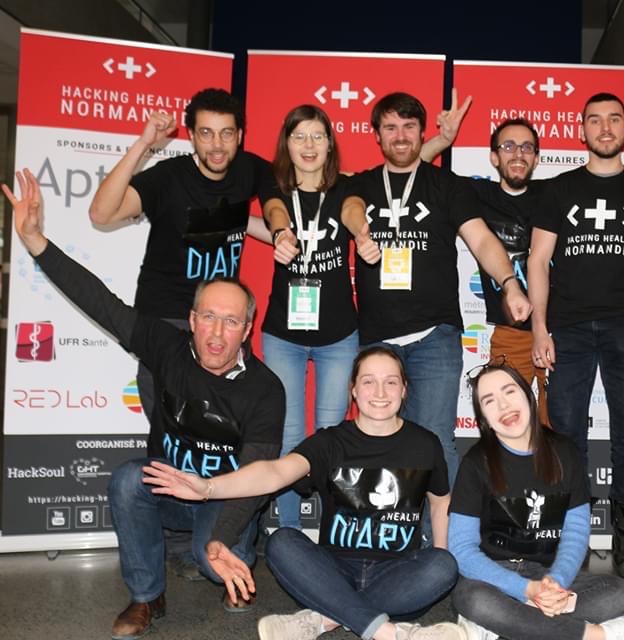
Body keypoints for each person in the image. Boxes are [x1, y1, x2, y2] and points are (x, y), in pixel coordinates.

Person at [4, 169, 285, 639]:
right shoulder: (165, 346)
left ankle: (231, 547)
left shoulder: (265, 388)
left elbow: (257, 477)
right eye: (209, 317)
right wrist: (35, 241)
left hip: (223, 497)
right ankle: (145, 596)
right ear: (191, 320)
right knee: (128, 480)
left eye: (231, 321)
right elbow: (101, 302)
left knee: (216, 562)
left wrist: (220, 539)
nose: (217, 333)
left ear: (247, 329)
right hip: (170, 488)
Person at [143, 347, 466, 640]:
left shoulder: (425, 444)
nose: (380, 392)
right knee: (282, 541)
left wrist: (433, 563)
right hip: (330, 573)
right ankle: (391, 632)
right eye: (368, 381)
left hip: (397, 578)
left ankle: (322, 619)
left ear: (404, 389)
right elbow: (274, 473)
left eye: (391, 382)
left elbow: (440, 503)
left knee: (443, 565)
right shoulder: (329, 442)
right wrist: (209, 487)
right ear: (353, 390)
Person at [88, 87, 279, 576]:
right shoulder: (169, 177)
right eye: (206, 133)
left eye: (227, 134)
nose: (217, 145)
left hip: (221, 326)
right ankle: (177, 546)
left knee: (224, 440)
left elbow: (277, 199)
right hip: (169, 326)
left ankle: (228, 533)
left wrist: (278, 231)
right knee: (173, 438)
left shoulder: (249, 171)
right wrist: (144, 144)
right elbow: (102, 214)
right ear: (191, 135)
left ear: (240, 136)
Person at [421, 104, 624, 428]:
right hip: (512, 332)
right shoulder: (476, 194)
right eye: (508, 146)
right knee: (505, 424)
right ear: (494, 157)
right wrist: (442, 141)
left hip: (563, 329)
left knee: (557, 429)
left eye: (527, 147)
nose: (518, 154)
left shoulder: (557, 191)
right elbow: (418, 171)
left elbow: (619, 197)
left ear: (537, 158)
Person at [528, 93, 624, 587]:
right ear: (582, 130)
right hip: (569, 328)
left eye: (614, 119)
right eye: (595, 120)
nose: (605, 127)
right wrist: (539, 327)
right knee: (566, 435)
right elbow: (537, 261)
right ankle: (571, 538)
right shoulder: (558, 189)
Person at [349, 92, 532, 487]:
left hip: (435, 337)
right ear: (376, 135)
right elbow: (347, 205)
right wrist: (359, 230)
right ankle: (387, 525)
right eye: (390, 128)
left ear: (422, 132)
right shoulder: (361, 184)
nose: (400, 136)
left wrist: (510, 284)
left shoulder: (447, 185)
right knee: (379, 443)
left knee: (434, 444)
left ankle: (441, 528)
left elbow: (482, 240)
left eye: (409, 127)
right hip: (376, 339)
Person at [448, 363, 624, 640]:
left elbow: (576, 532)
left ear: (528, 396)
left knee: (618, 593)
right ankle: (598, 634)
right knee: (472, 598)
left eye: (509, 391)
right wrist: (525, 589)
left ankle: (503, 623)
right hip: (496, 574)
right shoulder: (475, 463)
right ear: (483, 417)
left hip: (548, 572)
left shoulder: (564, 452)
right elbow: (462, 549)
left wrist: (556, 581)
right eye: (489, 401)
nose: (504, 405)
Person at [258, 104, 380, 530]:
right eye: (299, 137)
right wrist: (280, 233)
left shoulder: (347, 186)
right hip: (283, 335)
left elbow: (352, 210)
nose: (308, 146)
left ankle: (332, 532)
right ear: (286, 144)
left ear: (330, 144)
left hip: (338, 336)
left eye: (317, 136)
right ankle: (288, 534)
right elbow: (274, 210)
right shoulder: (274, 187)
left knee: (330, 434)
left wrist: (361, 232)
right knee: (290, 434)